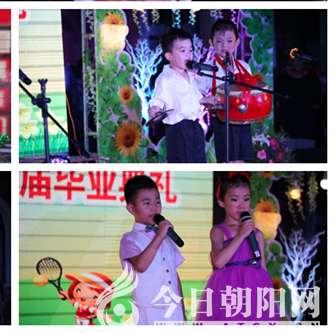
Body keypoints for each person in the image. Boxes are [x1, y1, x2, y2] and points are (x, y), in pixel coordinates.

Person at [196, 172, 277, 323]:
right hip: (228, 294)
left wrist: (268, 297)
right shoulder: (218, 231)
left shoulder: (257, 234)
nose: (241, 205)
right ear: (221, 202)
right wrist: (241, 235)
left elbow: (263, 268)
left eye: (246, 199)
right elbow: (218, 262)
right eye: (234, 199)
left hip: (254, 294)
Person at [119, 175, 186, 325]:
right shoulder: (129, 239)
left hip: (173, 309)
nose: (154, 207)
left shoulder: (166, 236)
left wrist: (183, 313)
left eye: (157, 201)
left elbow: (174, 276)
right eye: (147, 203)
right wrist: (160, 236)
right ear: (132, 208)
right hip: (148, 309)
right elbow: (141, 265)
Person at [149, 27, 220, 163]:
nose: (188, 54)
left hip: (195, 126)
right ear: (169, 56)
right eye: (183, 51)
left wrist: (208, 100)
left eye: (190, 50)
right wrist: (155, 108)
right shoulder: (165, 78)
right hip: (179, 129)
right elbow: (158, 99)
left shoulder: (190, 74)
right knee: (183, 162)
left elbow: (194, 96)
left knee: (199, 161)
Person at [196, 18, 254, 163]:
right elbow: (198, 93)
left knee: (242, 160)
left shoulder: (244, 66)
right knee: (226, 159)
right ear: (211, 42)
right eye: (219, 41)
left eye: (229, 41)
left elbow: (250, 91)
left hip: (242, 119)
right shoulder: (207, 67)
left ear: (237, 42)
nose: (224, 45)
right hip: (221, 118)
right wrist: (208, 104)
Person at [274, 49, 323, 154]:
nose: (299, 61)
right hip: (285, 132)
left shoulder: (313, 80)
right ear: (290, 60)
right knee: (285, 161)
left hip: (307, 132)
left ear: (308, 61)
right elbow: (276, 105)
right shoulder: (281, 79)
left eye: (302, 58)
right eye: (296, 57)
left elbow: (317, 104)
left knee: (307, 161)